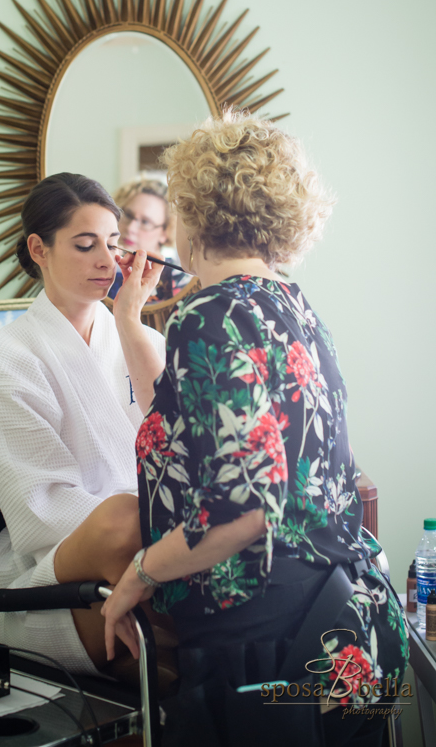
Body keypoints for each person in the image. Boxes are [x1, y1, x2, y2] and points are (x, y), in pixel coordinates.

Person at [101, 113, 408, 746]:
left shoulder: (209, 314)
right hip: (336, 616)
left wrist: (138, 575)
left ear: (191, 210)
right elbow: (182, 416)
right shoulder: (289, 306)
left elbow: (242, 508)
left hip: (264, 640)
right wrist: (130, 324)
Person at [0, 172, 166, 674]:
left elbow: (175, 447)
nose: (106, 261)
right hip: (56, 571)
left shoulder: (137, 339)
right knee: (123, 520)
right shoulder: (6, 359)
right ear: (39, 248)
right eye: (84, 244)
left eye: (113, 245)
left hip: (152, 558)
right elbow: (41, 507)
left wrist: (131, 327)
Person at [108, 178, 191, 303]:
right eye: (128, 215)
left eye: (145, 222)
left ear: (165, 231)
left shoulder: (177, 280)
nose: (131, 228)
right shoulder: (103, 267)